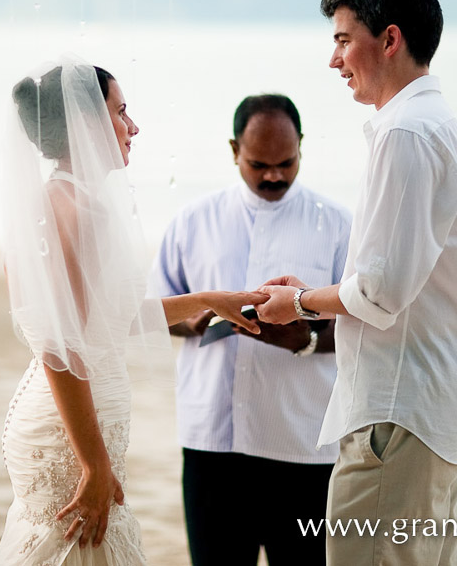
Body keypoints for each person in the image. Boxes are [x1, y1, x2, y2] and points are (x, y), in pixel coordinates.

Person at [255, 0, 457, 566]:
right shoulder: (442, 127)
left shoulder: (407, 132)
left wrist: (301, 303)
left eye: (342, 39)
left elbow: (381, 292)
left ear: (389, 40)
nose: (335, 60)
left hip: (396, 413)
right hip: (430, 409)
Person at [0, 57, 265, 566]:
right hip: (71, 429)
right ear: (87, 122)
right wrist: (93, 463)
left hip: (65, 415)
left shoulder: (53, 198)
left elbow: (106, 320)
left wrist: (208, 299)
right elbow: (61, 346)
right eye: (122, 112)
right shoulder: (79, 210)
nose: (133, 126)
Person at [149, 94, 352, 565]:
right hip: (211, 443)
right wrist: (195, 318)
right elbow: (155, 310)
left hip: (302, 445)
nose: (274, 176)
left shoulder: (339, 225)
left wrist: (307, 340)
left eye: (286, 162)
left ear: (302, 147)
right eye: (259, 164)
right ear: (233, 150)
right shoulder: (192, 221)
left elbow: (363, 327)